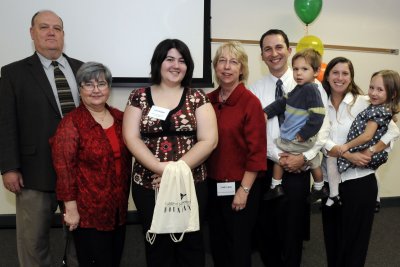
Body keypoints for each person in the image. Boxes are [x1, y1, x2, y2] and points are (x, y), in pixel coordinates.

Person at [122, 39, 218, 267]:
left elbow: (209, 140)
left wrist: (173, 172)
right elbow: (131, 137)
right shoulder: (139, 96)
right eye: (170, 59)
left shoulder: (198, 97)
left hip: (191, 183)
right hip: (149, 184)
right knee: (157, 246)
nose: (176, 65)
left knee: (191, 245)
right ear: (159, 62)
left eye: (182, 60)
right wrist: (159, 169)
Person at [0, 10, 83, 267]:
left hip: (80, 170)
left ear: (63, 35)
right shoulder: (13, 73)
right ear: (32, 33)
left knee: (81, 239)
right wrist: (9, 167)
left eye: (57, 28)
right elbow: (6, 123)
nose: (51, 32)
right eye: (44, 27)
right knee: (33, 242)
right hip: (35, 171)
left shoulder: (82, 69)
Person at [249, 29, 330, 267]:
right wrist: (278, 157)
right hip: (268, 165)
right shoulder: (256, 89)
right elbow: (256, 130)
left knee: (292, 228)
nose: (274, 53)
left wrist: (302, 157)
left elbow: (323, 127)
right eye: (267, 49)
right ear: (262, 55)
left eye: (279, 47)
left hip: (299, 166)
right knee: (267, 227)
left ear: (289, 50)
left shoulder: (314, 86)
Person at [50, 62, 132, 266]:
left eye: (101, 84)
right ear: (80, 89)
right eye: (89, 84)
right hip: (88, 215)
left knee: (113, 260)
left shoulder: (120, 118)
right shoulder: (71, 124)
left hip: (117, 210)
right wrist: (70, 209)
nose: (96, 90)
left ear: (109, 88)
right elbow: (64, 171)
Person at [321, 58, 400, 267]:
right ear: (327, 75)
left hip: (359, 182)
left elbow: (392, 131)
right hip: (332, 182)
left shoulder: (366, 102)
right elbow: (318, 139)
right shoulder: (319, 102)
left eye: (345, 73)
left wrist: (372, 150)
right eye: (335, 72)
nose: (339, 78)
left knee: (355, 244)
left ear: (351, 76)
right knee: (333, 242)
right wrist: (347, 154)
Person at [206, 41, 267, 267]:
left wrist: (244, 190)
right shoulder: (207, 101)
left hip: (241, 186)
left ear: (242, 69)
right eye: (222, 61)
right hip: (212, 185)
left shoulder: (250, 102)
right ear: (215, 67)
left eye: (234, 62)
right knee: (217, 243)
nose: (227, 67)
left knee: (239, 246)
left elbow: (257, 152)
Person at [263, 48, 328, 203]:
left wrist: (304, 134)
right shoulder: (298, 89)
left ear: (316, 71)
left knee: (282, 157)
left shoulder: (312, 89)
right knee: (313, 162)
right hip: (295, 138)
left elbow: (318, 116)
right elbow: (281, 103)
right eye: (296, 69)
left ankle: (276, 186)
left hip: (300, 138)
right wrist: (265, 113)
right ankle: (318, 188)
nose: (299, 73)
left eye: (304, 69)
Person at [327, 69, 400, 207]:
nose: (373, 93)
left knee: (334, 160)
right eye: (371, 87)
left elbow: (387, 132)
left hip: (359, 168)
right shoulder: (374, 105)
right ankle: (335, 194)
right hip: (347, 160)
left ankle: (334, 195)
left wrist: (371, 149)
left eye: (380, 89)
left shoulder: (372, 106)